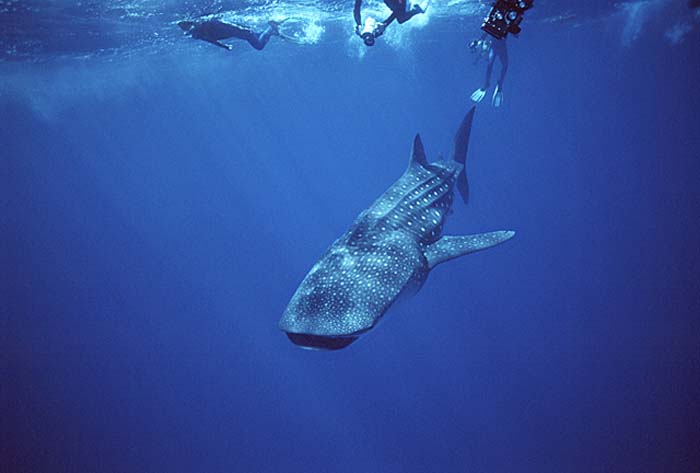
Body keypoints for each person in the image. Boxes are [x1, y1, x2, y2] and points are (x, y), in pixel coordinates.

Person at [353, 0, 429, 46]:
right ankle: (418, 10)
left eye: (367, 39)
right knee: (401, 18)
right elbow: (396, 12)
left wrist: (358, 23)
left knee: (401, 17)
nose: (368, 37)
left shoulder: (361, 31)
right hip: (399, 4)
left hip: (398, 5)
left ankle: (417, 10)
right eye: (370, 39)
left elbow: (356, 9)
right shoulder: (377, 33)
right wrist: (385, 24)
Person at [178, 19, 282, 51]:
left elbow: (225, 24)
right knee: (258, 36)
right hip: (239, 33)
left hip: (242, 31)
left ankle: (270, 29)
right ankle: (271, 31)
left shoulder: (208, 24)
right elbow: (213, 42)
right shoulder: (200, 34)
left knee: (259, 46)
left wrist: (242, 29)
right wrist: (225, 47)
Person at [469, 33, 508, 107]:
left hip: (500, 47)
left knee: (501, 65)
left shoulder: (503, 24)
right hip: (496, 47)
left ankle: (497, 84)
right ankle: (488, 84)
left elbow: (484, 35)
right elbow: (484, 34)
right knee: (492, 64)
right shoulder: (493, 24)